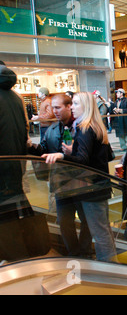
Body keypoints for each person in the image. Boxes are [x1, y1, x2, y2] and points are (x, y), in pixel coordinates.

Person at [42, 92, 117, 262]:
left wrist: (63, 156)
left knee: (100, 233)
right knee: (103, 231)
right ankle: (112, 266)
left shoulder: (84, 128)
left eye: (75, 103)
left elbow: (82, 160)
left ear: (86, 106)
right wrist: (72, 151)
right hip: (99, 186)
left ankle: (111, 270)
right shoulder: (96, 126)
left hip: (91, 187)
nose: (72, 107)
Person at [29, 94, 93, 258]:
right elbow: (44, 149)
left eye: (57, 107)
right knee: (65, 222)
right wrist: (31, 146)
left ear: (69, 106)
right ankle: (74, 253)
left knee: (87, 220)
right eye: (52, 108)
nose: (54, 111)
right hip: (61, 183)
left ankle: (84, 252)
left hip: (81, 182)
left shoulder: (82, 127)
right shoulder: (52, 129)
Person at [0, 64, 40, 261]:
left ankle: (11, 257)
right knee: (12, 211)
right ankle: (19, 254)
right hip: (16, 163)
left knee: (4, 215)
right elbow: (25, 130)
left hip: (2, 167)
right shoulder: (16, 98)